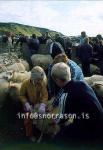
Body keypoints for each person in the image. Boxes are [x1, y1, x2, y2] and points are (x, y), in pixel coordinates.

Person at [50, 62, 103, 139]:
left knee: (58, 136)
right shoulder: (82, 84)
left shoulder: (66, 94)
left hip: (91, 127)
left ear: (57, 80)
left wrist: (51, 120)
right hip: (100, 121)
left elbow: (61, 118)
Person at [20, 66, 48, 142]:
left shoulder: (42, 83)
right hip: (28, 104)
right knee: (28, 119)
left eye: (41, 79)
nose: (40, 81)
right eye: (38, 79)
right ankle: (30, 135)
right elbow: (21, 95)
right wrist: (26, 103)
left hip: (38, 103)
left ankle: (41, 131)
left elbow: (45, 95)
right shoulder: (25, 83)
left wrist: (43, 105)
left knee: (43, 116)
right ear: (33, 78)